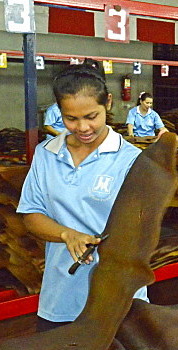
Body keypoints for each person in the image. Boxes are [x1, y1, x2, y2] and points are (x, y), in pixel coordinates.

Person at [16, 62, 149, 330]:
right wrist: (68, 235)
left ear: (108, 103)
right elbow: (31, 213)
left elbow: (141, 227)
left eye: (91, 116)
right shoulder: (47, 154)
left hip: (119, 296)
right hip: (61, 294)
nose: (82, 127)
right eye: (71, 119)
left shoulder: (131, 160)